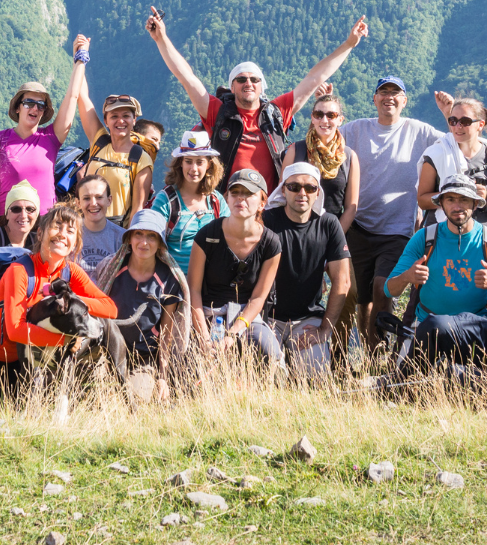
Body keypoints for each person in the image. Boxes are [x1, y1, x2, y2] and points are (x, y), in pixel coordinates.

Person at [146, 9, 368, 191]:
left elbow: (314, 77)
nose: (248, 83)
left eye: (254, 79)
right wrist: (161, 38)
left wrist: (349, 44)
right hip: (226, 207)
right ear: (232, 87)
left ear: (262, 86)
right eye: (241, 79)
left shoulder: (276, 113)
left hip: (268, 210)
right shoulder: (218, 112)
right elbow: (186, 77)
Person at [339, 76, 446, 353]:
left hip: (398, 229)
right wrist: (321, 105)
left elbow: (455, 143)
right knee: (362, 297)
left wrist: (450, 114)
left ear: (404, 101)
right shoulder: (356, 129)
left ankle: (380, 350)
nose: (389, 97)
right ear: (374, 99)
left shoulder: (419, 131)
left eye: (395, 93)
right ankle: (369, 350)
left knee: (382, 288)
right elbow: (325, 137)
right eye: (383, 92)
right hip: (358, 226)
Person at [0, 202, 117, 395]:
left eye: (70, 231)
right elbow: (15, 330)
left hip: (24, 361)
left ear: (76, 243)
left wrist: (70, 299)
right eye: (56, 226)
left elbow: (110, 309)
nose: (62, 234)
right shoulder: (20, 271)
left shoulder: (71, 272)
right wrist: (65, 340)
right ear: (40, 233)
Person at [385, 175, 487, 368]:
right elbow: (389, 289)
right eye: (450, 199)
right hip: (427, 326)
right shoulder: (424, 238)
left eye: (464, 200)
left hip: (475, 329)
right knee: (406, 388)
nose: (457, 206)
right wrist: (407, 277)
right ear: (441, 203)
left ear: (476, 204)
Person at [263, 161, 352, 378]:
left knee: (315, 378)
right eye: (294, 187)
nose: (302, 193)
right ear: (283, 189)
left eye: (310, 188)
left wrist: (324, 330)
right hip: (268, 319)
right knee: (271, 378)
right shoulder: (267, 221)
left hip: (307, 320)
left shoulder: (329, 224)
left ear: (317, 192)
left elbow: (343, 282)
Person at [94, 208, 192, 402]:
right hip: (107, 353)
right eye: (138, 234)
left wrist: (163, 378)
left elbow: (166, 334)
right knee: (99, 397)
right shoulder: (111, 268)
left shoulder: (169, 279)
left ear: (160, 244)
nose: (144, 242)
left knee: (136, 399)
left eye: (152, 236)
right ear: (129, 237)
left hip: (142, 358)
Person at [187, 170, 282, 364]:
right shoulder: (206, 236)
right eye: (235, 192)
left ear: (262, 203)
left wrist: (232, 334)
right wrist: (205, 338)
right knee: (187, 362)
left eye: (249, 193)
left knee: (269, 351)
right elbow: (193, 291)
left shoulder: (271, 243)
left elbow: (258, 298)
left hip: (246, 317)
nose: (241, 198)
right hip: (207, 313)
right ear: (227, 199)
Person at [73, 36, 156, 224]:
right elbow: (81, 97)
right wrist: (80, 57)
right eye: (114, 116)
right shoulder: (99, 141)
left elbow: (138, 210)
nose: (120, 121)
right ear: (105, 121)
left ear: (134, 120)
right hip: (86, 230)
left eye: (126, 116)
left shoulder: (140, 158)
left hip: (117, 234)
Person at [0, 60, 85, 217]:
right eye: (29, 103)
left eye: (40, 105)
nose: (35, 108)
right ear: (18, 108)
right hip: (7, 223)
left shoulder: (51, 138)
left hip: (44, 224)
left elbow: (72, 97)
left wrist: (80, 59)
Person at [419, 95, 487, 224]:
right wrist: (449, 195)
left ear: (480, 124)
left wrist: (486, 198)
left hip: (478, 237)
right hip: (440, 234)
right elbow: (422, 200)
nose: (458, 126)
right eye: (453, 121)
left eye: (465, 121)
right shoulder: (436, 154)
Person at [151, 132, 229, 275]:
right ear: (180, 163)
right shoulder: (166, 200)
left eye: (200, 162)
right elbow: (152, 241)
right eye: (188, 161)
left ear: (209, 165)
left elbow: (229, 239)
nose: (193, 168)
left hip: (209, 283)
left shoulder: (216, 201)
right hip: (174, 283)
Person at [283, 88, 359, 232]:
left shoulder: (349, 157)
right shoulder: (295, 151)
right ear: (312, 118)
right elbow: (283, 195)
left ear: (340, 120)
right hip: (295, 231)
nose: (324, 120)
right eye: (319, 115)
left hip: (332, 232)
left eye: (331, 115)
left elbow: (351, 207)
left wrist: (334, 239)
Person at [76, 174, 125, 274]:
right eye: (86, 198)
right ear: (78, 203)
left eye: (99, 197)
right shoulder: (69, 235)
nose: (93, 203)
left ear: (109, 200)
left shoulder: (122, 238)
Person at [0, 181, 40, 253]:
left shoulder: (38, 243)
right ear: (7, 214)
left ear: (37, 214)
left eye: (30, 209)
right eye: (16, 209)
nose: (23, 215)